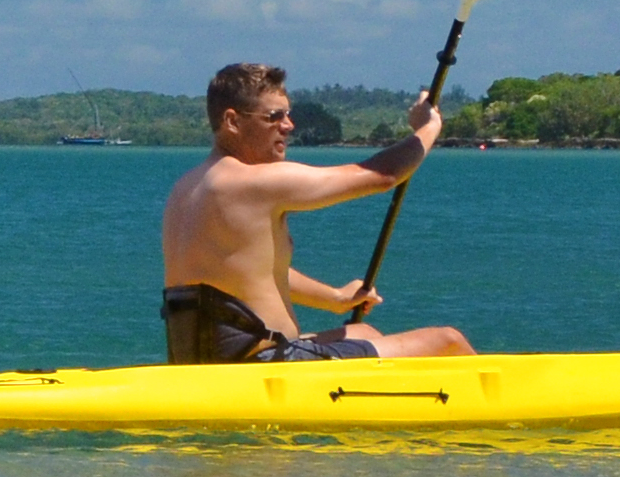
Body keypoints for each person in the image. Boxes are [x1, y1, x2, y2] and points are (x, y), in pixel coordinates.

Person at [158, 61, 477, 363]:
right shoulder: (252, 181)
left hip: (208, 362)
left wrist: (336, 298)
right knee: (447, 342)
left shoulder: (185, 188)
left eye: (288, 114)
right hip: (265, 365)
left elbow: (250, 272)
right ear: (232, 121)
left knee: (362, 331)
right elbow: (384, 175)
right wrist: (429, 127)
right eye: (274, 116)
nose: (288, 125)